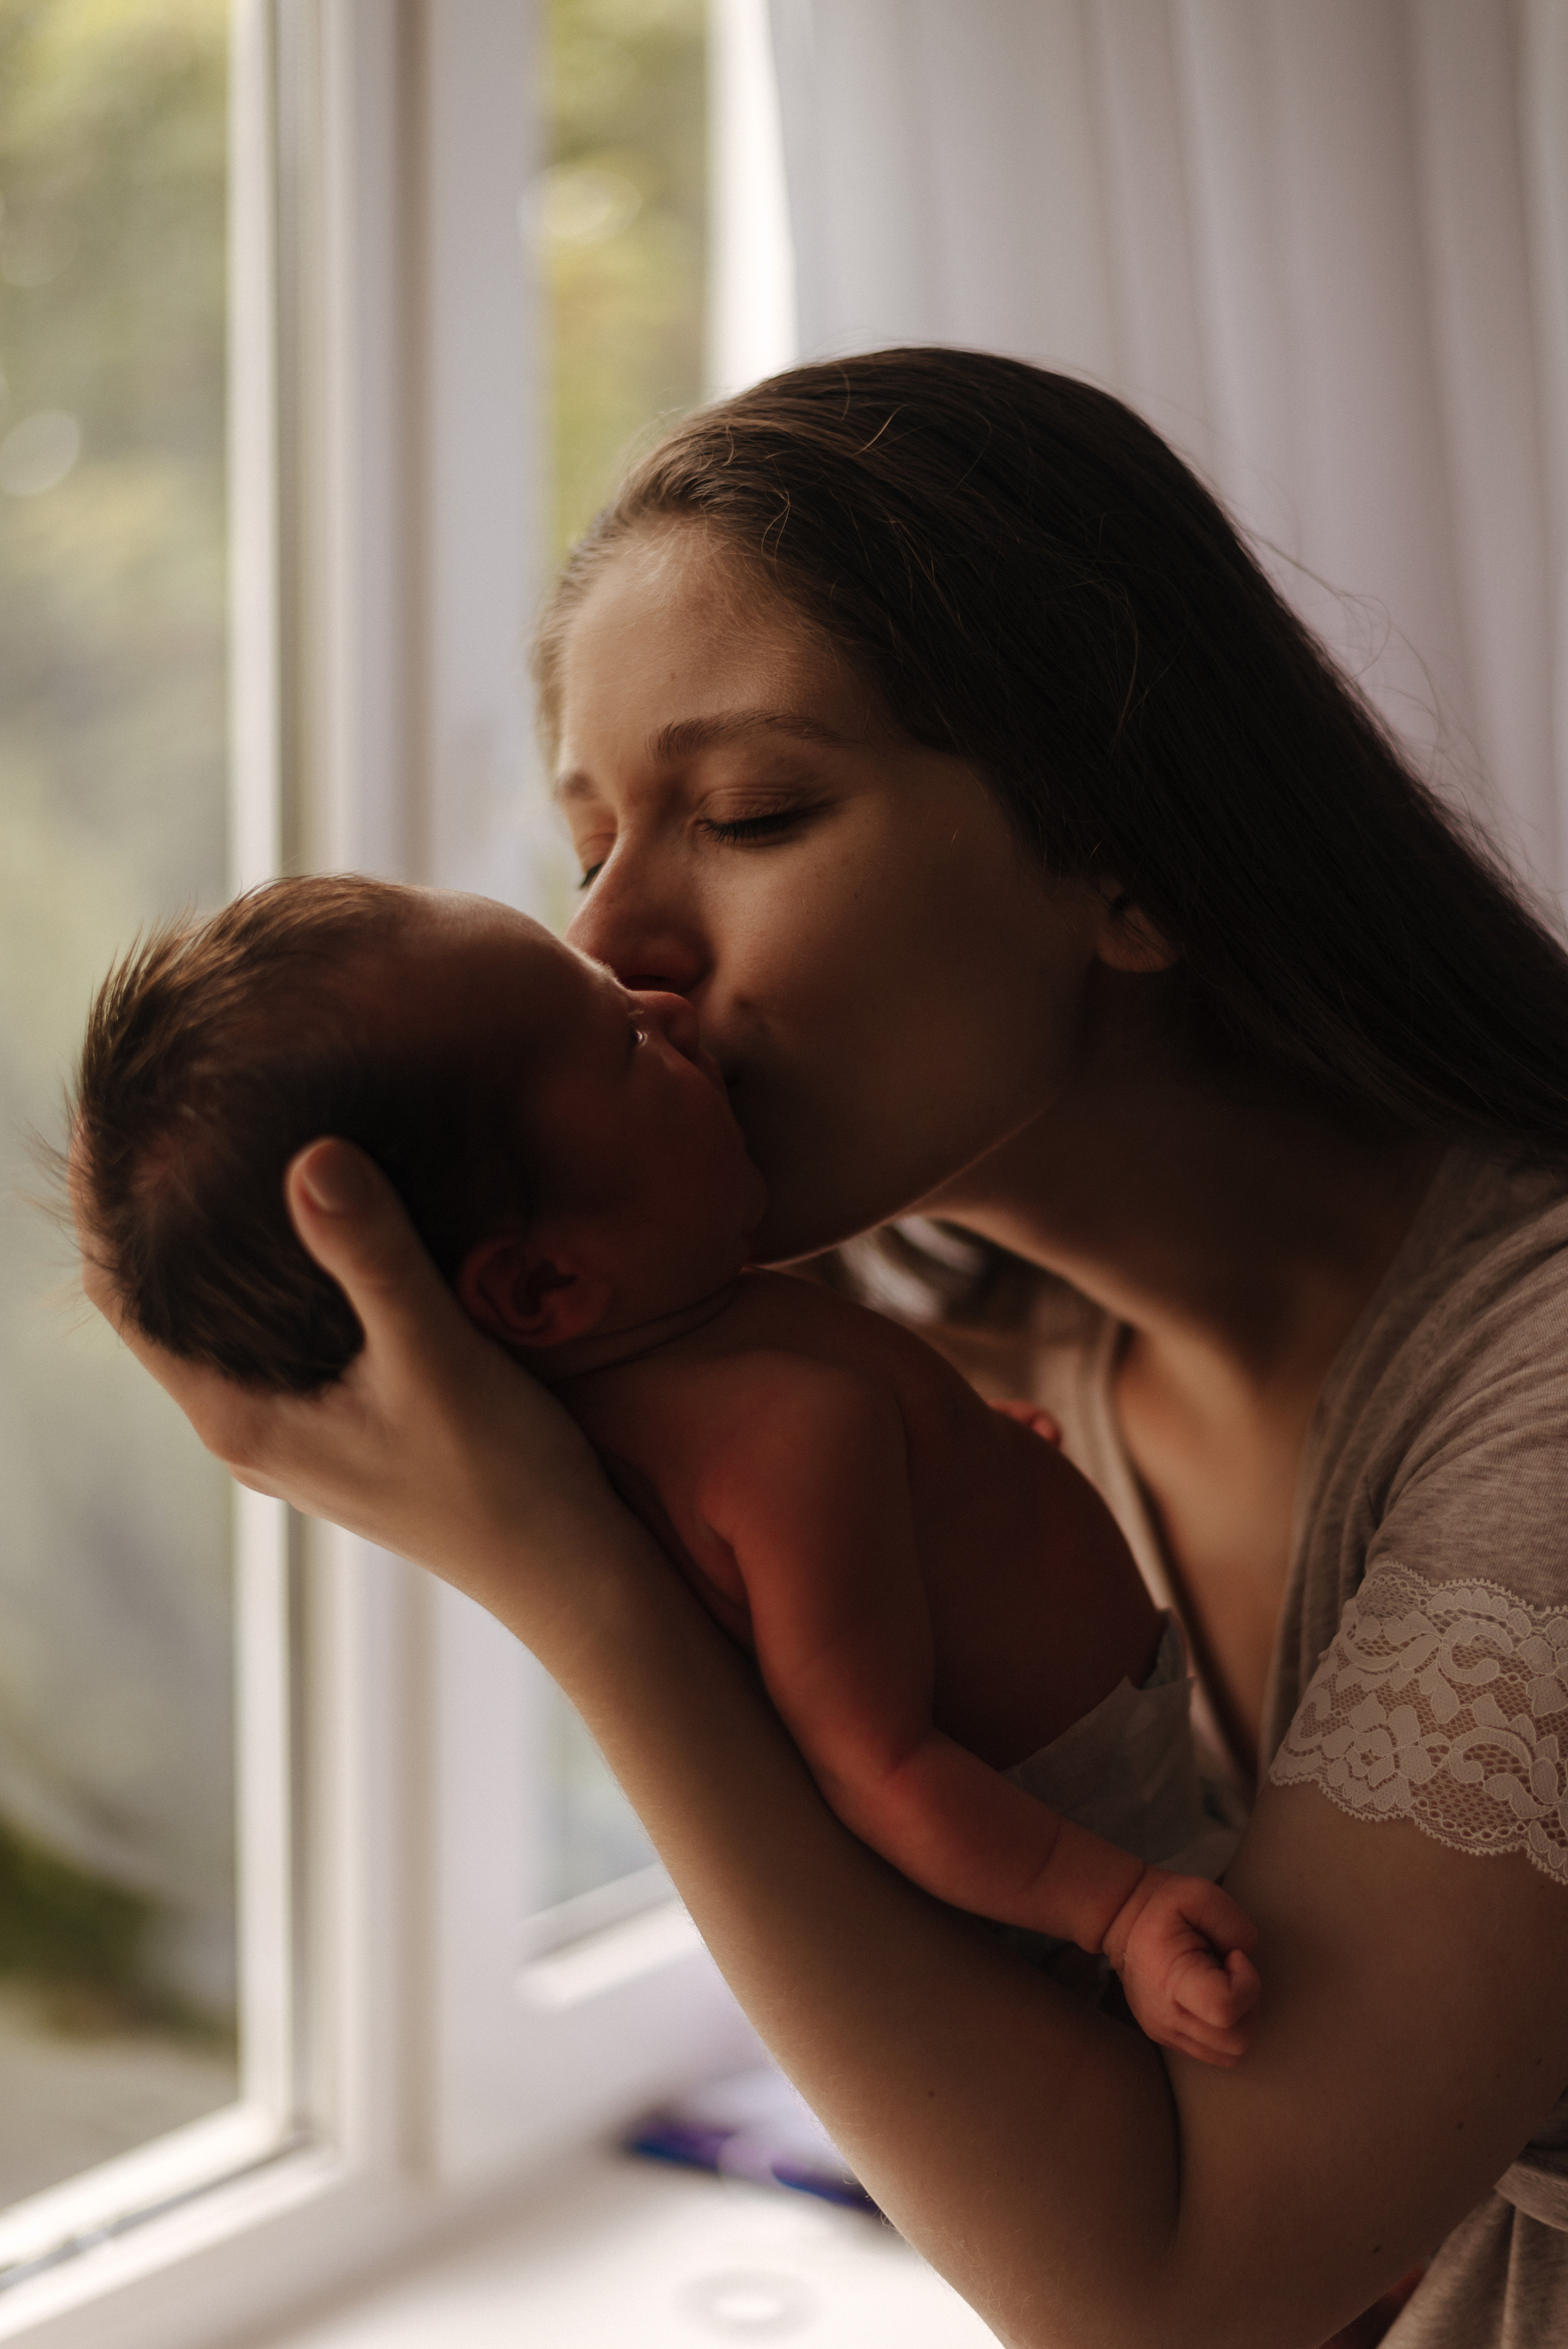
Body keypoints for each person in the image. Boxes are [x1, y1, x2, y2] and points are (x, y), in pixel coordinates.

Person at [79, 350, 1568, 2348]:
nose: (614, 947)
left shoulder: (1535, 1385)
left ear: (1134, 858)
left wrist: (584, 1595)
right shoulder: (989, 1369)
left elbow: (1181, 2290)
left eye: (753, 811)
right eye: (587, 840)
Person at [73, 879, 1258, 2062]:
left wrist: (963, 1477)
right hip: (1089, 1875)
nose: (670, 1008)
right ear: (542, 1286)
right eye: (626, 1044)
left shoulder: (696, 1335)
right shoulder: (773, 1443)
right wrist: (1119, 1909)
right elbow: (882, 1768)